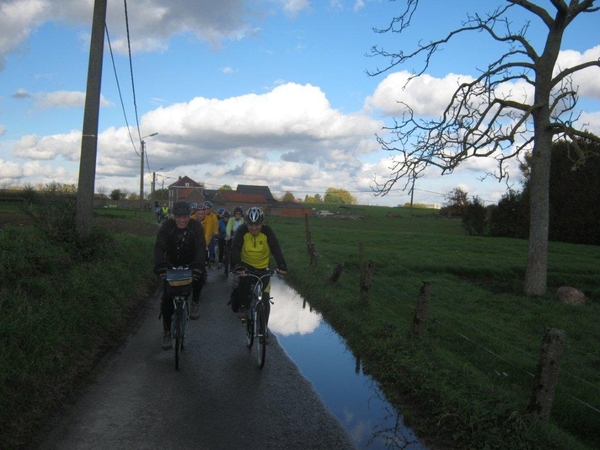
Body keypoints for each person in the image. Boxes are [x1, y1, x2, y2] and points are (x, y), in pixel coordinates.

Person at [154, 201, 206, 350]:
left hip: (190, 262)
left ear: (190, 216)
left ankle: (195, 301)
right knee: (166, 300)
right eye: (178, 217)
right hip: (171, 264)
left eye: (185, 217)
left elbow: (201, 247)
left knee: (200, 275)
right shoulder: (167, 226)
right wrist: (160, 264)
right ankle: (166, 332)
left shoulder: (196, 226)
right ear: (173, 216)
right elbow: (159, 246)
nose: (182, 220)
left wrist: (198, 265)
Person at [230, 206, 288, 334]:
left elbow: (275, 248)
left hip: (263, 267)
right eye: (251, 225)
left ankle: (263, 328)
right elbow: (235, 248)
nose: (254, 228)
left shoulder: (267, 232)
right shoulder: (242, 231)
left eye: (257, 224)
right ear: (246, 223)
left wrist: (282, 264)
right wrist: (237, 265)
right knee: (244, 285)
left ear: (262, 223)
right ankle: (244, 307)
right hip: (246, 265)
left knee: (265, 298)